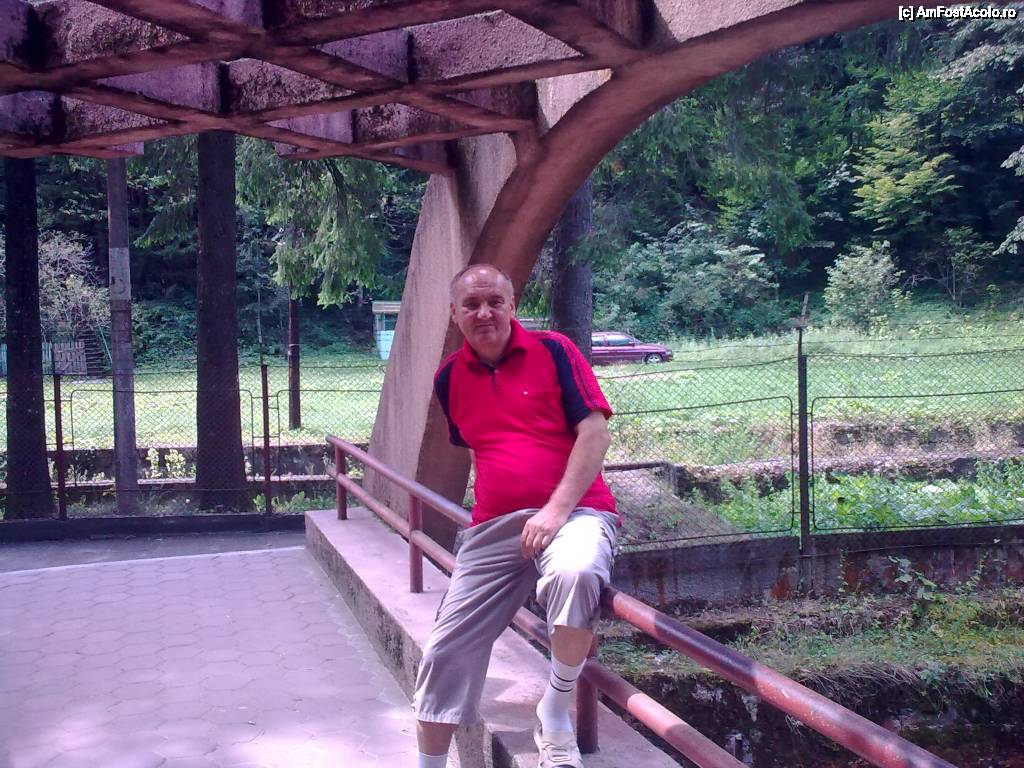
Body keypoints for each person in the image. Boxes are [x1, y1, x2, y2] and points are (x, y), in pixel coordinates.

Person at [413, 264, 620, 768]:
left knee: (576, 573)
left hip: (575, 514)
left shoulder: (554, 351)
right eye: (471, 304)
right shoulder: (449, 377)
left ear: (513, 305)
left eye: (494, 301)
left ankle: (555, 710)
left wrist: (554, 510)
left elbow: (595, 434)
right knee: (444, 653)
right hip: (493, 526)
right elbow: (479, 447)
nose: (484, 312)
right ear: (454, 314)